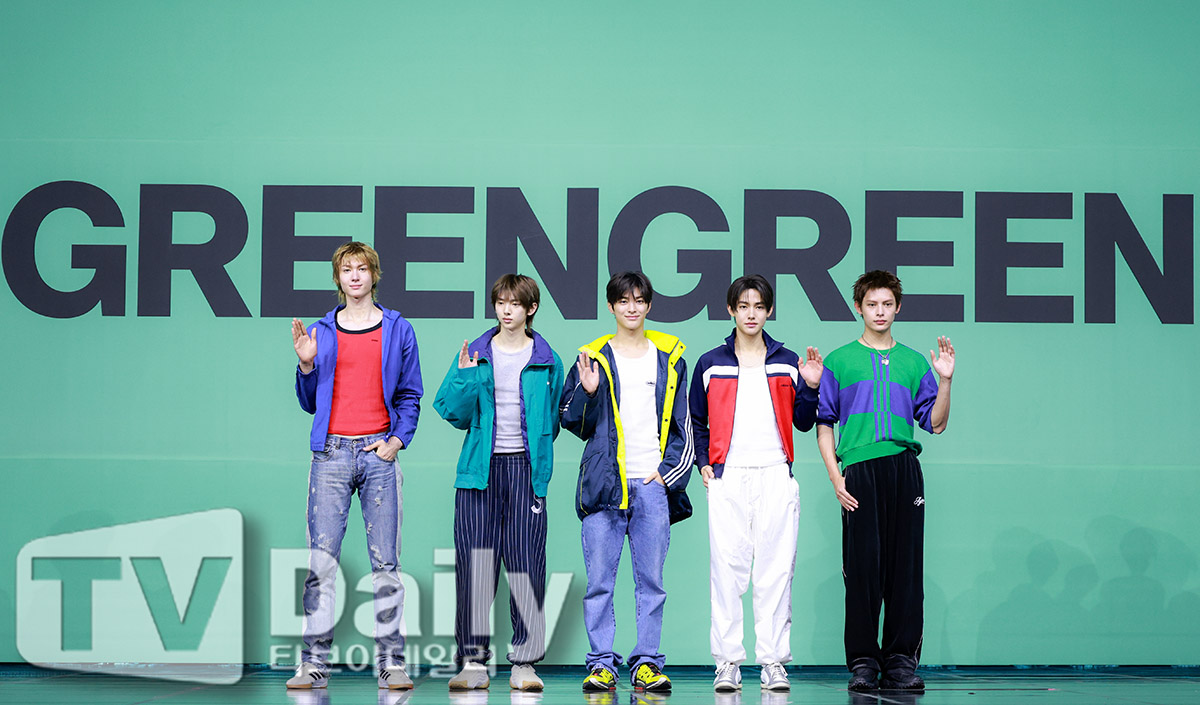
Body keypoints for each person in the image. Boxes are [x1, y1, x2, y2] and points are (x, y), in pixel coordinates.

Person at [286, 241, 422, 691]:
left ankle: (392, 663)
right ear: (338, 278)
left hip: (378, 455)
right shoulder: (321, 331)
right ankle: (312, 664)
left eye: (362, 268)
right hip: (330, 454)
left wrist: (396, 441)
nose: (355, 276)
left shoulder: (398, 329)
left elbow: (410, 393)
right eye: (347, 270)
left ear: (374, 275)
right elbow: (310, 403)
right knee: (321, 564)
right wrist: (306, 365)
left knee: (386, 564)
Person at [816, 270, 955, 692]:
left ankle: (899, 662)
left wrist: (945, 380)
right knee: (862, 571)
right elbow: (825, 424)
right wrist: (836, 477)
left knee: (905, 571)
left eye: (887, 304)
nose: (880, 312)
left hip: (903, 469)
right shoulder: (839, 361)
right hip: (859, 471)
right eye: (872, 304)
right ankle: (863, 663)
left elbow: (936, 423)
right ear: (859, 308)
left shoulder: (914, 362)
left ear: (898, 308)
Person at [559, 271, 694, 693]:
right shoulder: (592, 357)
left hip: (651, 484)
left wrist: (665, 475)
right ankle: (601, 664)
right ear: (611, 306)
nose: (631, 307)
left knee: (651, 583)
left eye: (638, 300)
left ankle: (647, 664)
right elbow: (572, 421)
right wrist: (588, 392)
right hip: (604, 486)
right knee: (599, 583)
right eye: (623, 300)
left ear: (648, 305)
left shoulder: (669, 357)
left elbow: (684, 426)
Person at [689, 274, 823, 692]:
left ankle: (773, 662)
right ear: (731, 310)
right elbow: (695, 420)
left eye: (759, 307)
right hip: (728, 476)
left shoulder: (787, 361)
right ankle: (727, 662)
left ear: (769, 311)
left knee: (775, 572)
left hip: (775, 473)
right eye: (743, 306)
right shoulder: (710, 363)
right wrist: (704, 463)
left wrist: (811, 387)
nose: (751, 314)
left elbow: (803, 422)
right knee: (726, 572)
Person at [432, 274, 564, 692]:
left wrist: (534, 458)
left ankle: (525, 663)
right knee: (475, 565)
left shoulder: (547, 359)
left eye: (515, 303)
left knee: (526, 564)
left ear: (531, 309)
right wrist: (465, 377)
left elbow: (552, 420)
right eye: (501, 302)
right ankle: (473, 662)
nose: (506, 310)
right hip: (479, 470)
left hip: (526, 470)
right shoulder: (474, 353)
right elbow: (452, 413)